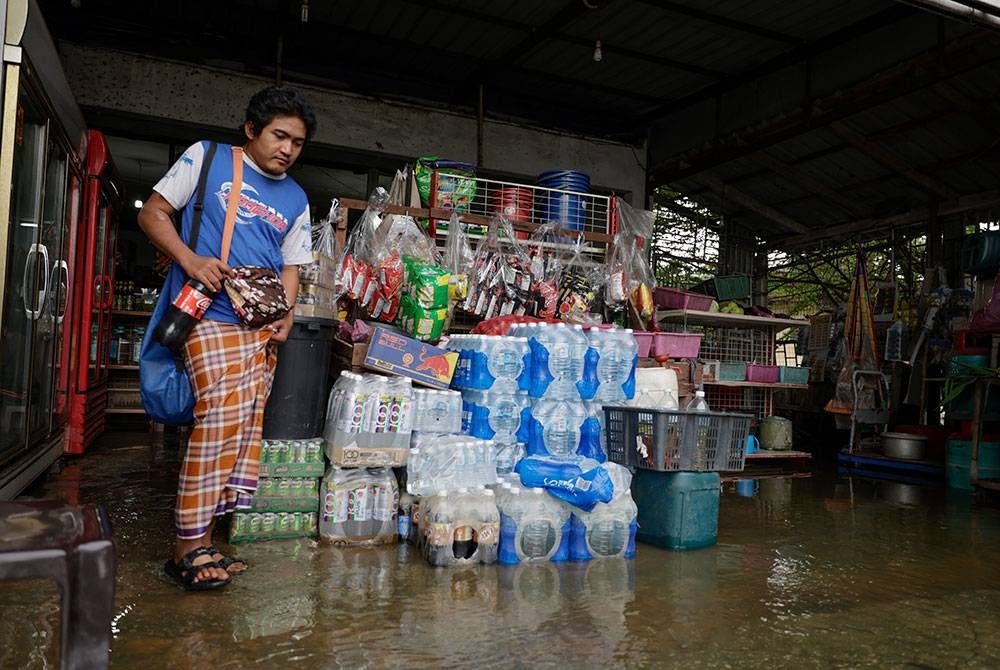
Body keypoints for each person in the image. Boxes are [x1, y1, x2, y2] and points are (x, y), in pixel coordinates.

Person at [139, 85, 316, 590]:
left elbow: (291, 265)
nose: (287, 148)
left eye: (297, 143)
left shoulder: (297, 197)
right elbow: (151, 214)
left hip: (258, 328)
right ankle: (185, 549)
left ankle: (206, 541)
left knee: (240, 434)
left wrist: (286, 312)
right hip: (209, 315)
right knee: (218, 424)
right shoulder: (208, 157)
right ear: (252, 130)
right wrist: (190, 260)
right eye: (279, 136)